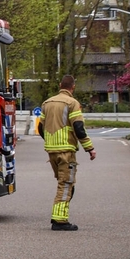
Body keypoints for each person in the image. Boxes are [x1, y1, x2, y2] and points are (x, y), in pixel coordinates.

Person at [38, 75, 97, 231]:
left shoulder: (46, 103)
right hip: (66, 151)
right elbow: (78, 128)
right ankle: (60, 221)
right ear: (73, 87)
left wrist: (50, 142)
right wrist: (90, 148)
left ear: (60, 85)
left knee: (64, 183)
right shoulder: (72, 103)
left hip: (51, 152)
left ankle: (60, 216)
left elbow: (40, 128)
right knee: (65, 184)